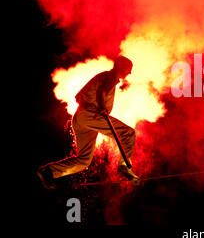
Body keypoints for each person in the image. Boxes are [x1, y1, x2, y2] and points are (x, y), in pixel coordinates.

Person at [37, 56, 140, 189]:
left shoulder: (105, 77)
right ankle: (124, 167)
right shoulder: (110, 76)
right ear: (119, 65)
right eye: (128, 69)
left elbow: (98, 90)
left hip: (80, 118)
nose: (129, 72)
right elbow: (103, 89)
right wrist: (102, 106)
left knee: (84, 161)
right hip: (91, 114)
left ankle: (48, 172)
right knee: (128, 133)